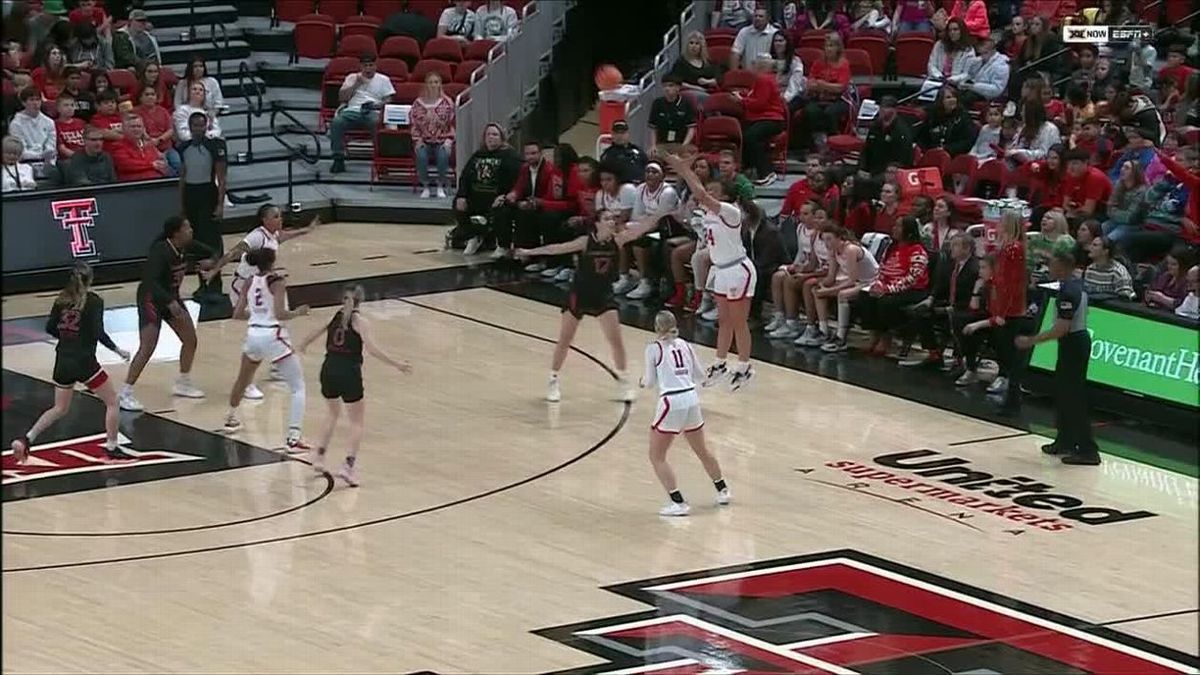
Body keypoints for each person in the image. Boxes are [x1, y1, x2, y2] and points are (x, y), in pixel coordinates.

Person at [9, 263, 132, 464]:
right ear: (90, 279)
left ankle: (27, 439)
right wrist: (117, 350)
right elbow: (98, 332)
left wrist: (67, 337)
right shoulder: (94, 301)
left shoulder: (61, 300)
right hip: (84, 362)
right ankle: (111, 446)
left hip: (62, 360)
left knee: (59, 408)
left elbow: (50, 327)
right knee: (112, 402)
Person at [297, 284, 412, 486]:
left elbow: (315, 331)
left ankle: (319, 456)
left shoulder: (335, 316)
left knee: (332, 413)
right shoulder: (360, 321)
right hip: (348, 370)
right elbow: (372, 349)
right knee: (356, 421)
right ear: (361, 301)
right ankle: (348, 466)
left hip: (328, 368)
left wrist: (303, 344)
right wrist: (397, 364)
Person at [515, 210, 635, 403]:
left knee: (616, 340)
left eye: (613, 218)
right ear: (597, 224)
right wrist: (529, 252)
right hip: (579, 294)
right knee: (565, 340)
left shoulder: (618, 241)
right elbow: (557, 248)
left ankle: (623, 380)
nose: (612, 221)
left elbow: (644, 227)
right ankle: (553, 379)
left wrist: (663, 212)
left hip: (603, 295)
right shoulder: (585, 242)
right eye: (607, 218)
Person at [202, 203, 320, 398]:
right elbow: (233, 253)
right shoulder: (256, 236)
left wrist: (308, 229)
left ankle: (275, 366)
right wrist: (214, 271)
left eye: (280, 216)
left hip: (260, 285)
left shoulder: (274, 235)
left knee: (275, 321)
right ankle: (246, 383)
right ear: (264, 220)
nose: (279, 219)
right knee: (259, 326)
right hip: (243, 285)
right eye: (275, 216)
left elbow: (287, 235)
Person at [662, 152, 756, 391]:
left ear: (725, 196)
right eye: (710, 191)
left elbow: (700, 194)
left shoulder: (731, 212)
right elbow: (700, 197)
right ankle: (720, 362)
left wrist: (683, 169)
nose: (708, 195)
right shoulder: (710, 214)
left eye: (715, 191)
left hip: (738, 269)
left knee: (738, 322)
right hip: (721, 270)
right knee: (724, 321)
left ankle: (745, 367)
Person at [118, 216, 215, 412]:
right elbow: (150, 282)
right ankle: (125, 392)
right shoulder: (161, 251)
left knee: (190, 339)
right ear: (176, 232)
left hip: (171, 297)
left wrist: (210, 261)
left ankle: (183, 382)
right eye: (187, 228)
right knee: (148, 347)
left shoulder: (187, 245)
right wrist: (169, 301)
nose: (191, 230)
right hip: (151, 299)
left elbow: (212, 251)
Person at [1015, 250, 1101, 465]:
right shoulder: (1071, 285)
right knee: (1062, 393)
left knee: (1073, 397)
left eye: (1052, 264)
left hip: (1075, 342)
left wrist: (1031, 340)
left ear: (1062, 266)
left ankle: (1089, 450)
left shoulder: (1069, 291)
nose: (1049, 269)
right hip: (1072, 342)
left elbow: (1061, 328)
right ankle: (1065, 440)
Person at [641, 310, 730, 517]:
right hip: (691, 399)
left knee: (656, 456)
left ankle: (678, 502)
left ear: (656, 328)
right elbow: (700, 375)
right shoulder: (686, 345)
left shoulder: (653, 349)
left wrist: (641, 381)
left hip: (671, 401)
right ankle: (723, 490)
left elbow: (650, 382)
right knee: (701, 450)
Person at [222, 247, 312, 451]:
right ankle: (293, 437)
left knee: (243, 379)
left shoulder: (249, 281)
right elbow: (280, 313)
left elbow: (237, 314)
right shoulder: (277, 281)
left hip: (253, 334)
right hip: (273, 335)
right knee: (298, 387)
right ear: (273, 261)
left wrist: (257, 316)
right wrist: (298, 312)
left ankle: (230, 418)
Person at [178, 111, 229, 300]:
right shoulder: (183, 147)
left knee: (212, 243)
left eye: (201, 125)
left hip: (208, 193)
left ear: (206, 126)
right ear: (189, 127)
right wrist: (181, 204)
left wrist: (220, 204)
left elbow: (221, 179)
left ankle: (215, 283)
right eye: (194, 126)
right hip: (191, 195)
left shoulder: (215, 146)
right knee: (197, 243)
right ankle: (202, 283)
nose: (198, 129)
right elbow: (182, 177)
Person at [812, 225, 878, 352]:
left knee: (843, 294)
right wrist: (822, 285)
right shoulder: (833, 251)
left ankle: (840, 337)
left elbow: (853, 279)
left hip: (869, 282)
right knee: (817, 291)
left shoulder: (851, 250)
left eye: (829, 239)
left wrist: (829, 291)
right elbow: (831, 277)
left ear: (839, 238)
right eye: (824, 240)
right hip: (855, 282)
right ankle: (823, 330)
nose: (826, 243)